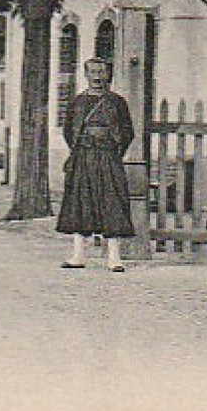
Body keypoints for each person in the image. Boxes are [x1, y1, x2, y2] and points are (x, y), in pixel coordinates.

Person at [57, 57, 136, 271]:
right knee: (80, 202)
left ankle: (114, 258)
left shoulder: (117, 102)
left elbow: (127, 131)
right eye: (93, 72)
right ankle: (78, 256)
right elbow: (68, 130)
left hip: (108, 156)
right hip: (83, 155)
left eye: (101, 72)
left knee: (112, 201)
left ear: (107, 74)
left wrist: (113, 151)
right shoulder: (77, 102)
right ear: (86, 74)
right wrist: (81, 147)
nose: (97, 76)